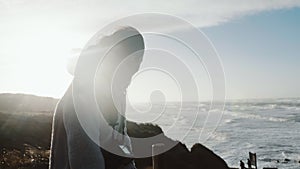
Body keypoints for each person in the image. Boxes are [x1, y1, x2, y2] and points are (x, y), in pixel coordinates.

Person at [49, 27, 145, 169]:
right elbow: (86, 159)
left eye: (140, 59)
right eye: (134, 58)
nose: (137, 66)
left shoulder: (116, 90)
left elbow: (120, 141)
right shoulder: (83, 92)